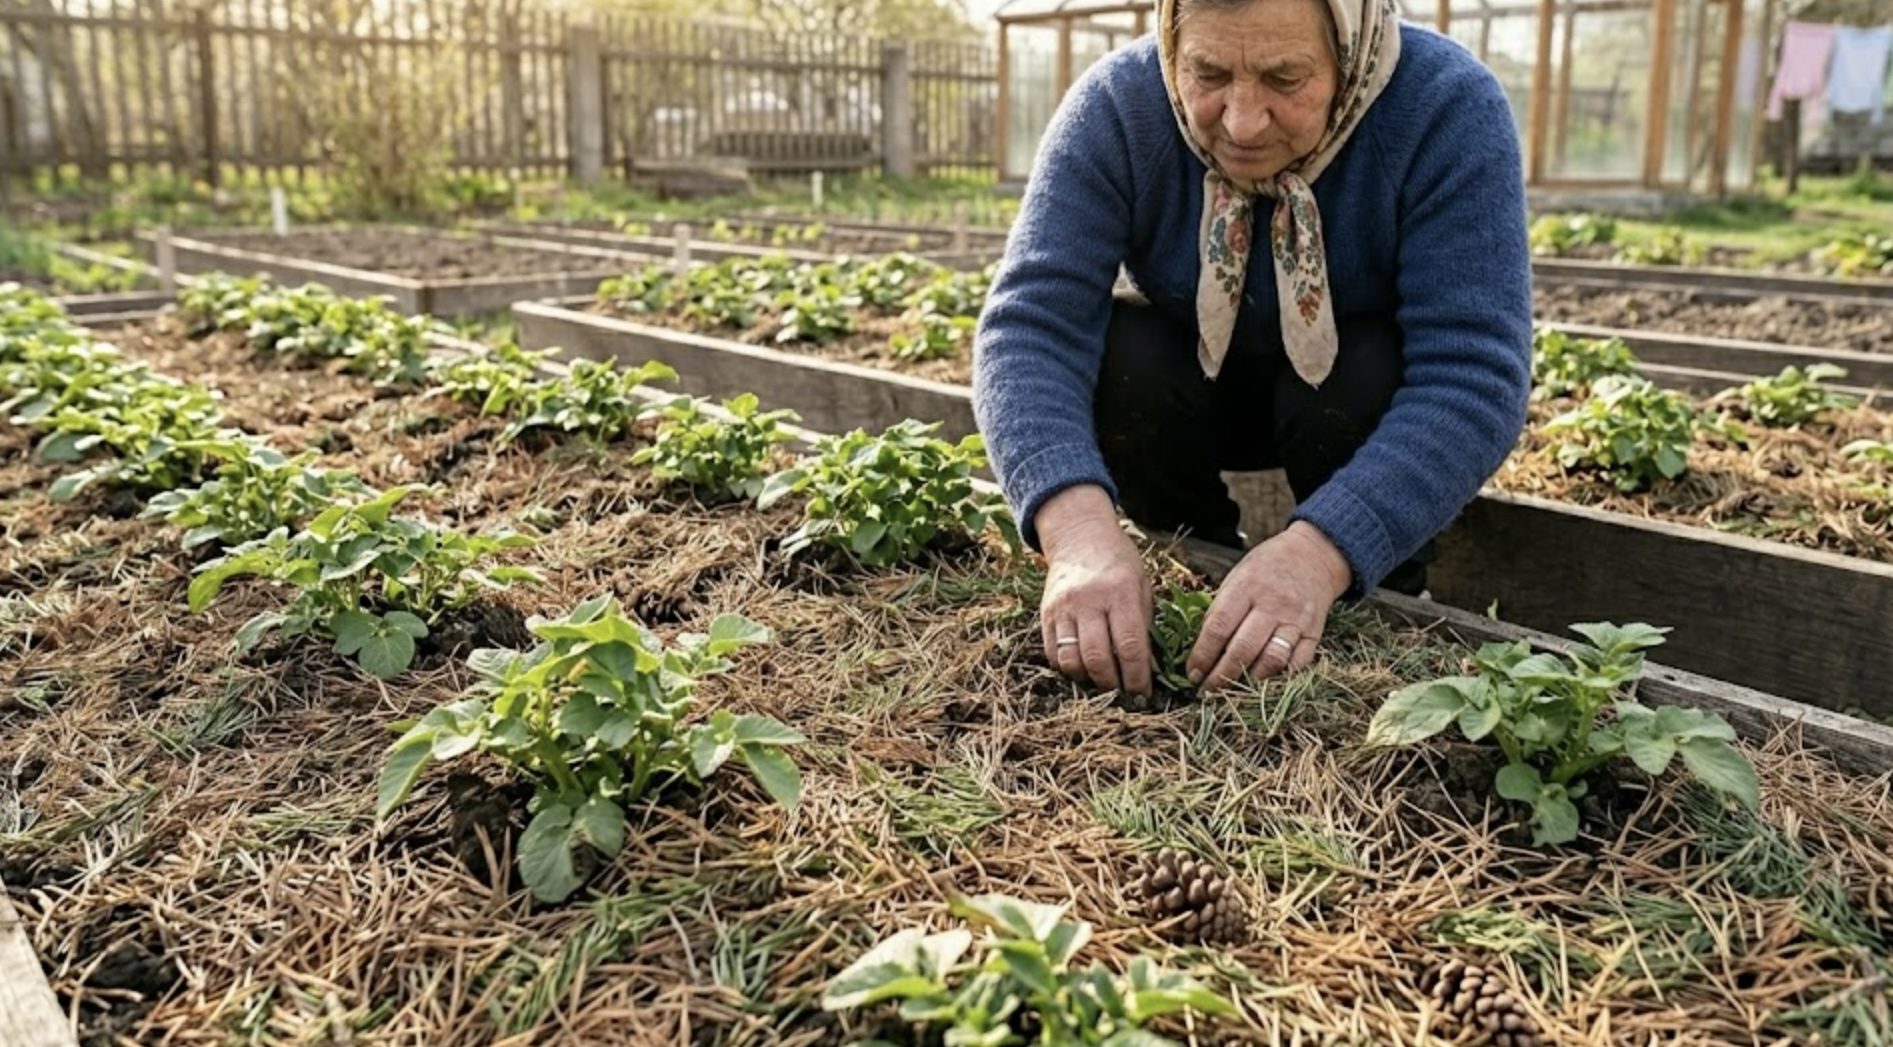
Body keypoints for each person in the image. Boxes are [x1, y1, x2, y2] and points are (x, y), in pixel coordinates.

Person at [971, 0, 1533, 700]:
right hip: (1196, 395)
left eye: (1284, 78)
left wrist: (1318, 555)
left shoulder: (1442, 105)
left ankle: (1377, 601)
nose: (1240, 120)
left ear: (1346, 49)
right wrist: (1077, 531)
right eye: (1206, 72)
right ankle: (1189, 561)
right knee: (1126, 357)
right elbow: (1030, 326)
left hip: (1347, 412)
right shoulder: (1120, 105)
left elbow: (1474, 373)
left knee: (1365, 371)